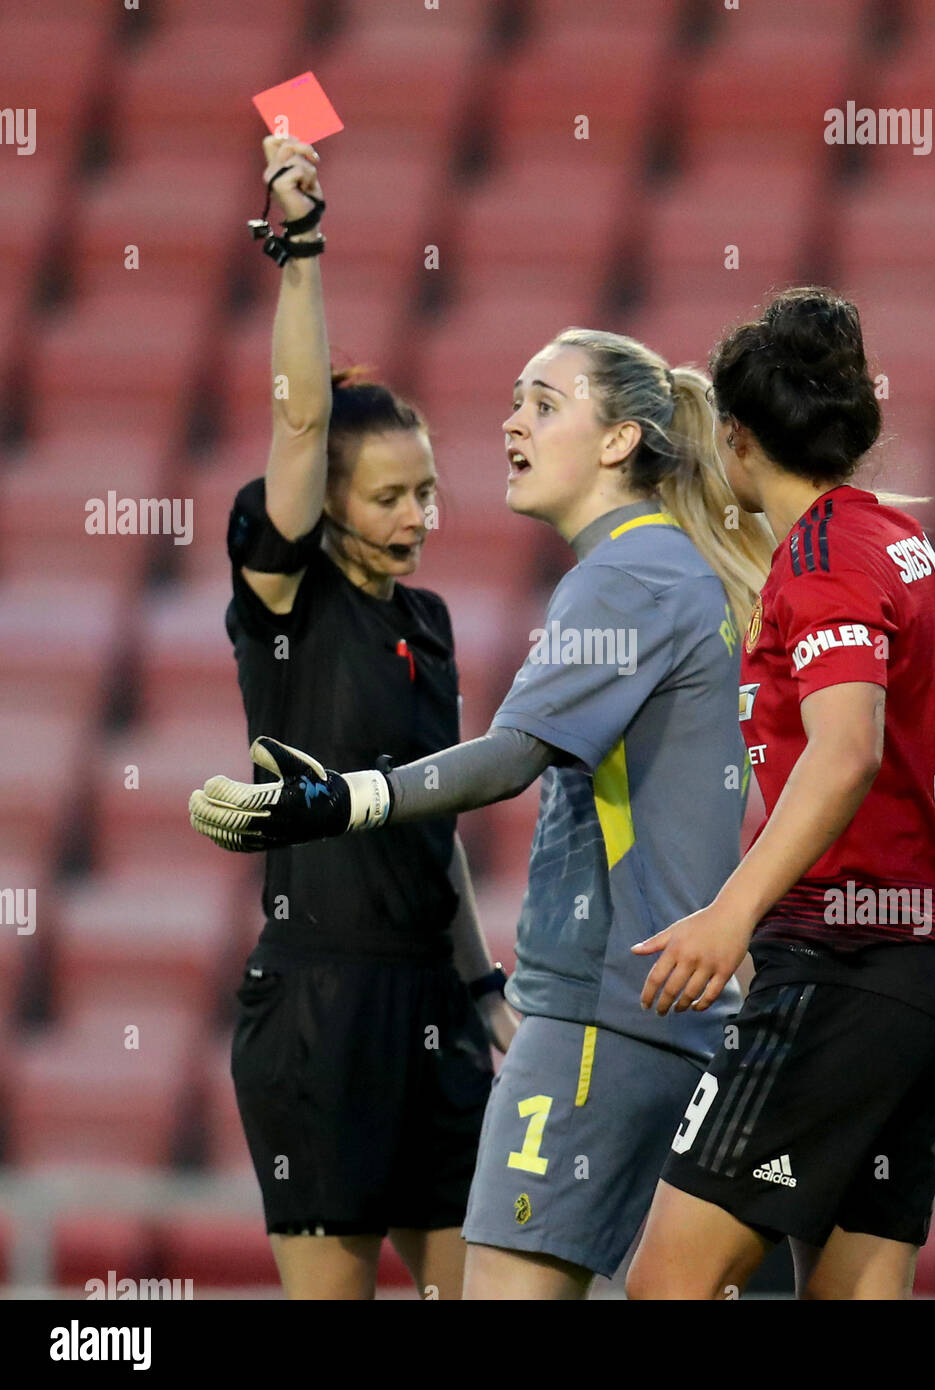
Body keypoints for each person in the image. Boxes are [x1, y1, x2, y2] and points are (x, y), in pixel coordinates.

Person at [190, 325, 776, 1298]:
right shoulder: (674, 568)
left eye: (545, 404)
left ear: (620, 440)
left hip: (599, 1009)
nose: (512, 423)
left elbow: (509, 759)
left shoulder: (621, 575)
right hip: (652, 1007)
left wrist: (342, 797)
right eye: (516, 398)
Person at [623, 286, 935, 1301]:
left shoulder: (822, 558)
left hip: (845, 972)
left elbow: (846, 751)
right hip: (934, 979)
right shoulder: (891, 541)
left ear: (738, 438)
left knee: (665, 1286)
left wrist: (729, 917)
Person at [220, 134, 516, 1301]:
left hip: (432, 1007)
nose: (419, 515)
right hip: (319, 1010)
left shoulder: (432, 621)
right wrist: (302, 250)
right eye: (389, 495)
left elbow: (431, 822)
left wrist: (484, 988)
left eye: (428, 489)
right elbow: (298, 424)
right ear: (327, 501)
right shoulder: (286, 601)